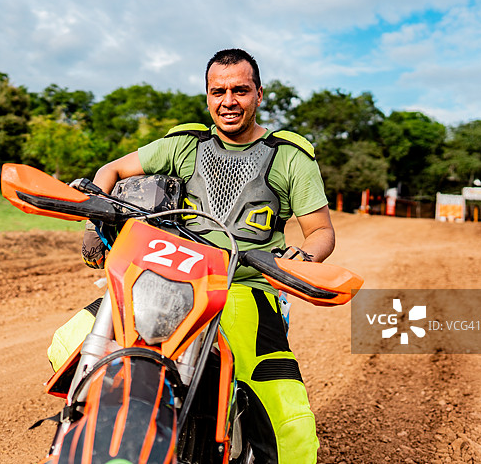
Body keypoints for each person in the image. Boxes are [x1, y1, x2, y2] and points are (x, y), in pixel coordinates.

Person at [63, 48, 334, 463]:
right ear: (207, 96)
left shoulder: (289, 155)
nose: (229, 101)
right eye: (218, 91)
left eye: (240, 91)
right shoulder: (186, 145)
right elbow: (112, 171)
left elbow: (320, 232)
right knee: (69, 342)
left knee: (288, 424)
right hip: (172, 279)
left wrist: (303, 257)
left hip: (244, 285)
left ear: (259, 94)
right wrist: (92, 221)